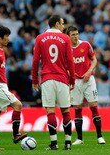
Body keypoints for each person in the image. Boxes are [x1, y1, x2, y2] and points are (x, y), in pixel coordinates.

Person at [32, 15, 75, 150]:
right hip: (62, 78)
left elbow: (35, 61)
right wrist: (72, 79)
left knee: (50, 111)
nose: (63, 26)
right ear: (56, 24)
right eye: (62, 24)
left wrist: (34, 79)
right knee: (66, 111)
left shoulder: (40, 38)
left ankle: (54, 143)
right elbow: (70, 61)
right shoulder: (66, 38)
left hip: (47, 78)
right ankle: (68, 143)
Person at [65, 25, 106, 145]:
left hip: (89, 80)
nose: (76, 36)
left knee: (93, 106)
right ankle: (79, 138)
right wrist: (70, 73)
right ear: (68, 36)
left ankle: (99, 136)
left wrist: (89, 71)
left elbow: (94, 60)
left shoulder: (85, 45)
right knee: (77, 109)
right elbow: (64, 66)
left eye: (77, 34)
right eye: (73, 35)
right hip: (75, 82)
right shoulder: (66, 50)